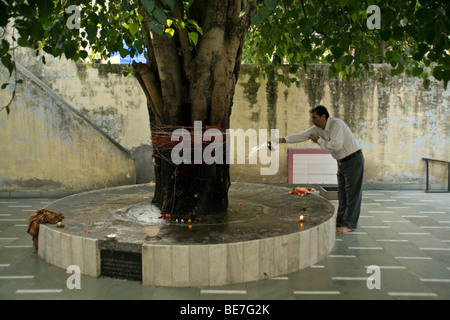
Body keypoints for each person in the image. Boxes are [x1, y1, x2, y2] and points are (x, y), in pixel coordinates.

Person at [279, 105, 364, 233]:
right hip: (341, 162)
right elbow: (304, 135)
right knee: (342, 193)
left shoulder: (336, 125)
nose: (312, 120)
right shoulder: (319, 128)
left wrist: (319, 141)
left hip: (353, 160)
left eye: (315, 117)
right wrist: (283, 140)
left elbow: (335, 145)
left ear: (323, 116)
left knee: (352, 194)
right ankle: (341, 220)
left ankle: (350, 225)